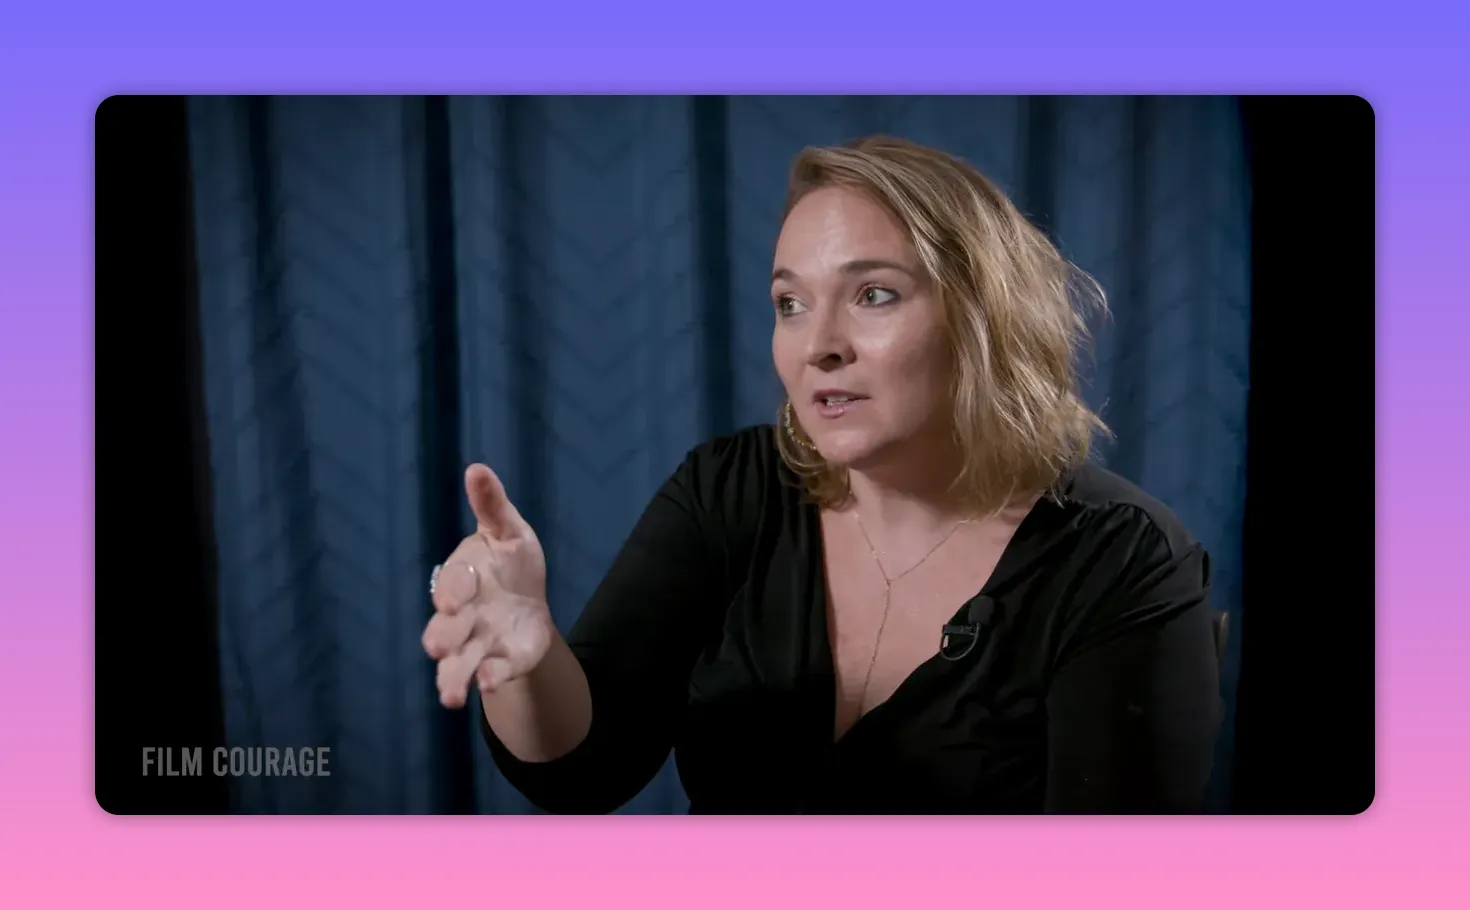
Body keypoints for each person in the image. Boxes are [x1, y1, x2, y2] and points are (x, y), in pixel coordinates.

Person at [420, 136, 1223, 814]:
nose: (818, 346)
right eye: (790, 303)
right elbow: (581, 769)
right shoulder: (729, 491)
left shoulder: (1122, 559)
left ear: (985, 319)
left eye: (873, 294)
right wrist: (527, 666)